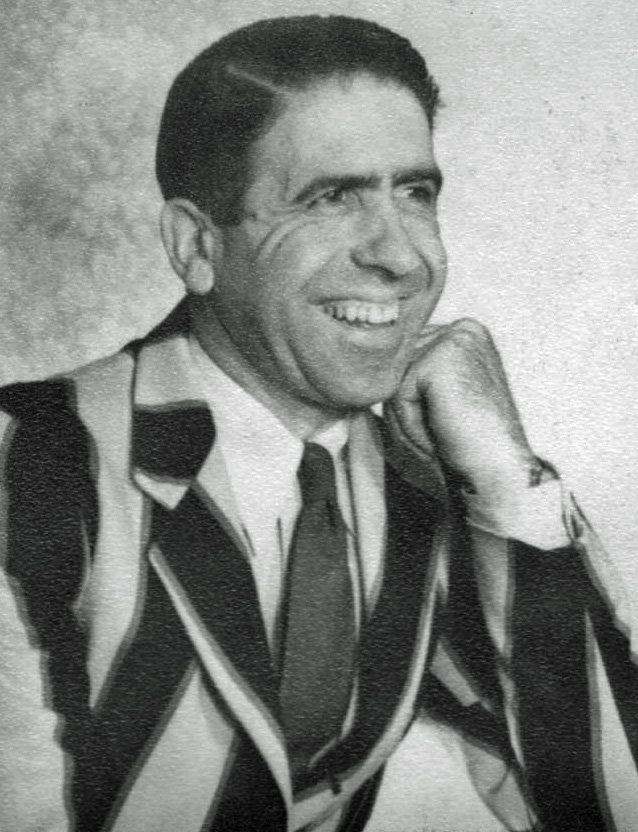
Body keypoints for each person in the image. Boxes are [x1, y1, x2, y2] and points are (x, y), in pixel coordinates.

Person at [0, 14, 636, 832]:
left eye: (416, 193)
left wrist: (508, 479)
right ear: (197, 246)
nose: (401, 257)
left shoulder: (420, 484)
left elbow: (607, 806)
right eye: (332, 198)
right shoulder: (27, 464)